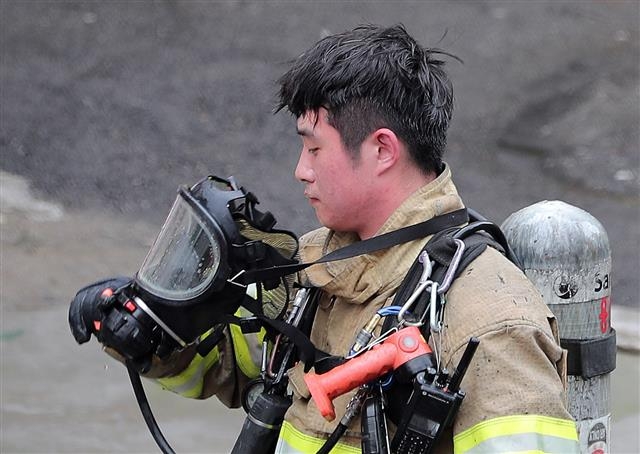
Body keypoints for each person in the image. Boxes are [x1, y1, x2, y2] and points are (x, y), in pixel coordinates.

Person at [69, 24, 579, 453]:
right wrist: (147, 329)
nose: (300, 171)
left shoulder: (487, 321)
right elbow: (231, 367)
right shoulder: (317, 269)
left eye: (314, 149)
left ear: (382, 150)